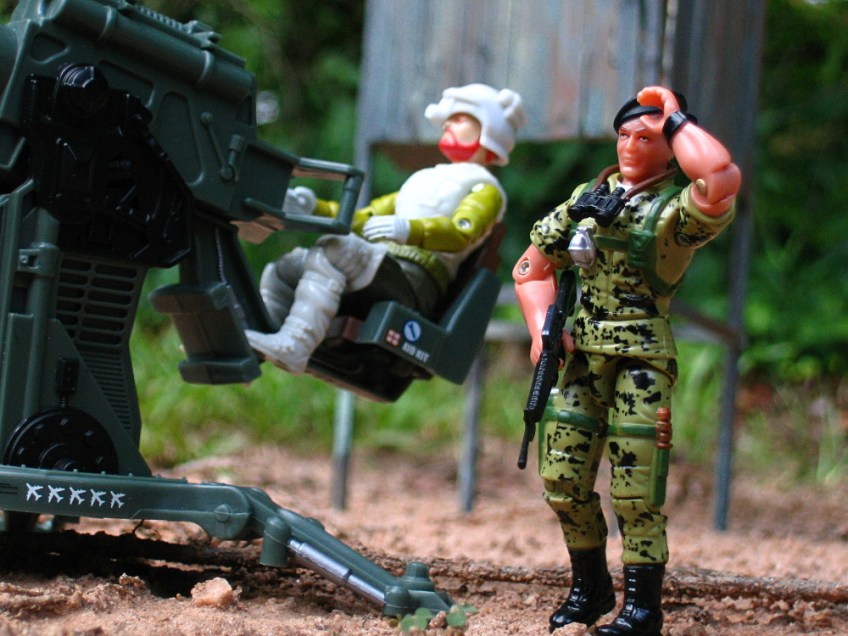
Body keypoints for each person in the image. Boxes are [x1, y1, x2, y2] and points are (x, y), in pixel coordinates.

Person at [512, 86, 740, 635]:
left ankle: (641, 610)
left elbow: (721, 178)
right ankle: (589, 590)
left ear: (670, 148)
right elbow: (530, 267)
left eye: (646, 138)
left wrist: (677, 119)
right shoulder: (587, 198)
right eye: (624, 135)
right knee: (562, 478)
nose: (631, 146)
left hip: (641, 359)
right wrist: (543, 331)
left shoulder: (676, 210)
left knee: (637, 491)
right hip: (582, 358)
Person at [246, 83, 526, 373]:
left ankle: (295, 345)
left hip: (414, 283)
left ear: (487, 130)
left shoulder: (485, 189)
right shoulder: (425, 178)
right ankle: (258, 337)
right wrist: (314, 208)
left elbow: (461, 232)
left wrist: (409, 230)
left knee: (336, 249)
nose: (447, 124)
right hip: (384, 269)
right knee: (288, 266)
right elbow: (365, 218)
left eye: (459, 118)